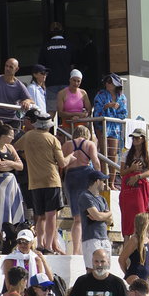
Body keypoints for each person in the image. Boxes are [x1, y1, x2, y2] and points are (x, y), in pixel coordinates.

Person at [14, 111, 68, 253]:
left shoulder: (28, 136)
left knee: (40, 216)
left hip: (35, 182)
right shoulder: (52, 139)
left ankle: (40, 244)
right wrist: (72, 158)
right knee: (51, 216)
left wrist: (27, 157)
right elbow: (62, 163)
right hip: (51, 180)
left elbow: (15, 148)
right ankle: (49, 245)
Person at [61, 124, 102, 255]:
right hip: (85, 175)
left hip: (70, 177)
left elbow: (61, 164)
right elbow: (96, 161)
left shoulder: (67, 144)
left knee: (76, 218)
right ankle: (84, 248)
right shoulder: (89, 144)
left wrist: (62, 179)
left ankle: (76, 250)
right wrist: (99, 178)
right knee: (86, 215)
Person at [119, 127, 149, 237]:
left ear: (143, 139)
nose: (134, 140)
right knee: (128, 217)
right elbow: (122, 172)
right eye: (133, 138)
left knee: (143, 213)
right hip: (130, 189)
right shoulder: (127, 154)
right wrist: (131, 169)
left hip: (143, 188)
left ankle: (143, 240)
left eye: (137, 138)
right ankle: (127, 242)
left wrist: (138, 176)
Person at [77, 171, 113, 271]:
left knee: (105, 270)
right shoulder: (85, 196)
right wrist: (105, 215)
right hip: (91, 238)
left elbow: (110, 220)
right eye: (103, 181)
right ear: (97, 181)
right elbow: (97, 215)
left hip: (104, 238)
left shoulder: (102, 199)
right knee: (92, 269)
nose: (105, 184)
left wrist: (103, 216)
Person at [91, 73, 127, 168]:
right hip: (102, 125)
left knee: (113, 153)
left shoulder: (122, 97)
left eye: (110, 82)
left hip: (115, 127)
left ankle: (111, 182)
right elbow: (96, 112)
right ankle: (103, 178)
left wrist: (116, 110)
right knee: (104, 152)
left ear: (116, 84)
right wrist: (106, 107)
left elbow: (124, 113)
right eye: (107, 81)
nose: (108, 83)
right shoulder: (100, 95)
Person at [37, 24, 75, 108]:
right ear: (62, 31)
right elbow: (73, 65)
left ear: (50, 32)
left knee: (51, 110)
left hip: (51, 83)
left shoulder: (45, 46)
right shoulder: (68, 45)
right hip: (66, 82)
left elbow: (41, 67)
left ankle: (50, 122)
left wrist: (42, 82)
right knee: (67, 109)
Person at [118, 211, 149, 284]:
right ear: (145, 224)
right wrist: (127, 273)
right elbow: (121, 259)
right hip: (134, 276)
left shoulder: (147, 240)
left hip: (144, 277)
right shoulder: (134, 240)